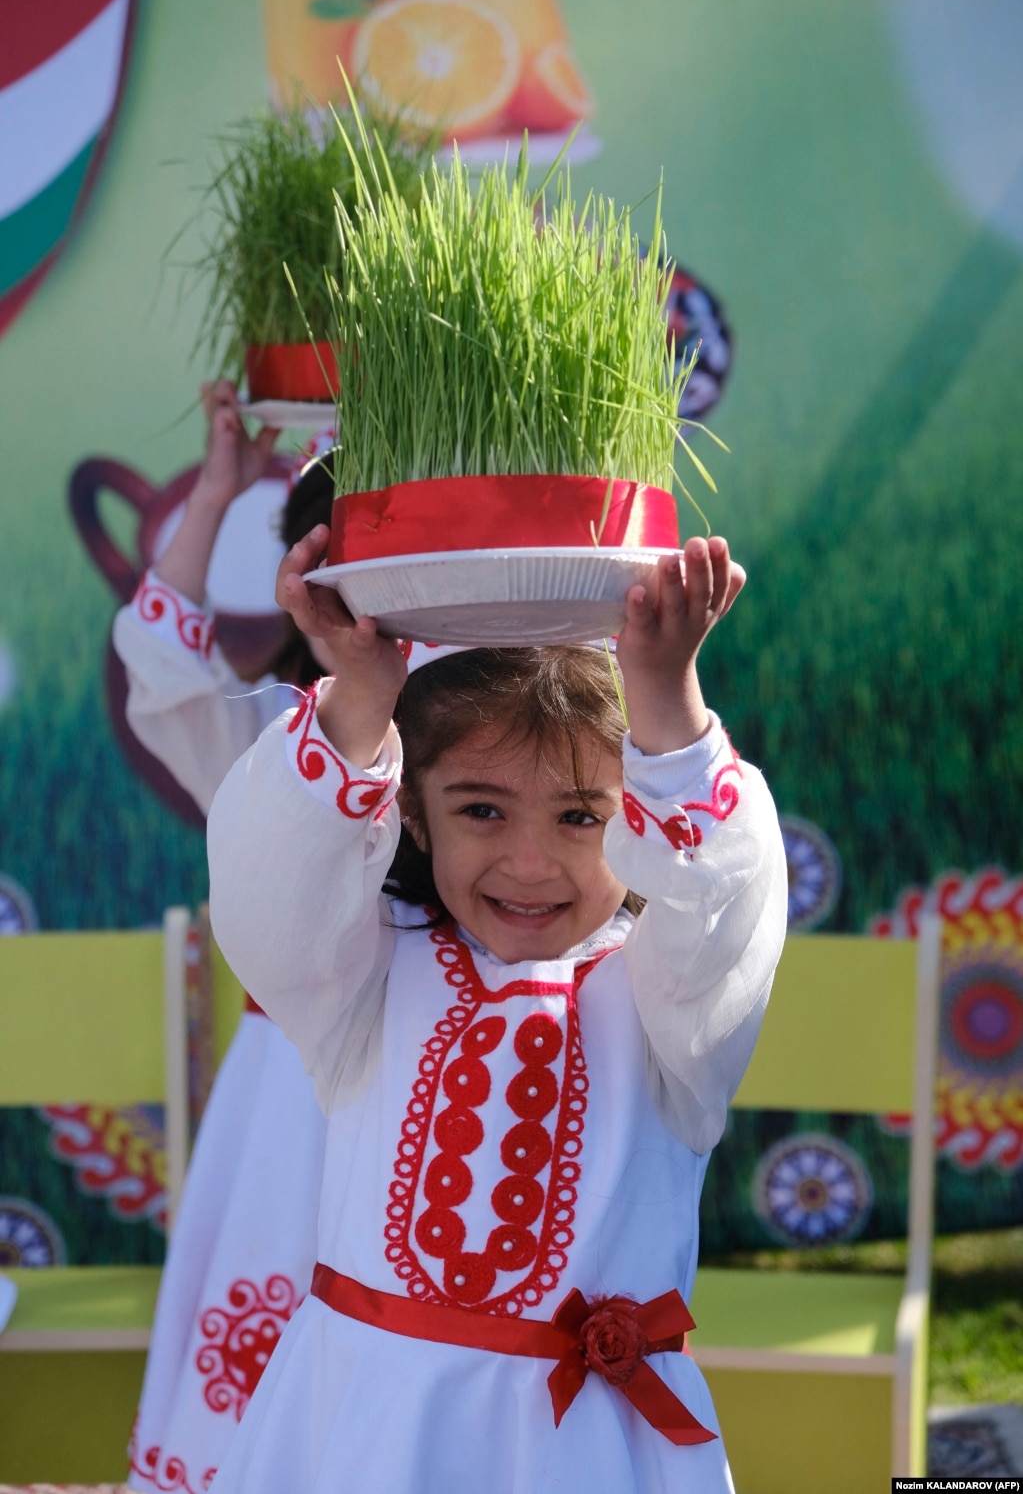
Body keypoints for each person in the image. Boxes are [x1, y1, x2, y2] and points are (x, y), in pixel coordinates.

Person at [205, 527, 788, 1494]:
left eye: (578, 816)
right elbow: (271, 888)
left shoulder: (669, 1002)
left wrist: (668, 705)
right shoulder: (368, 980)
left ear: (635, 817)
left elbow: (727, 907)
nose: (528, 862)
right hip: (365, 1437)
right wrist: (357, 693)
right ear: (413, 813)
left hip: (583, 1453)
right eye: (481, 810)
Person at [112, 381, 335, 1494]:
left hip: (444, 1099)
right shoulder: (267, 740)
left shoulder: (492, 751)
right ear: (303, 587)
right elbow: (162, 661)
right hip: (286, 1112)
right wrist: (214, 493)